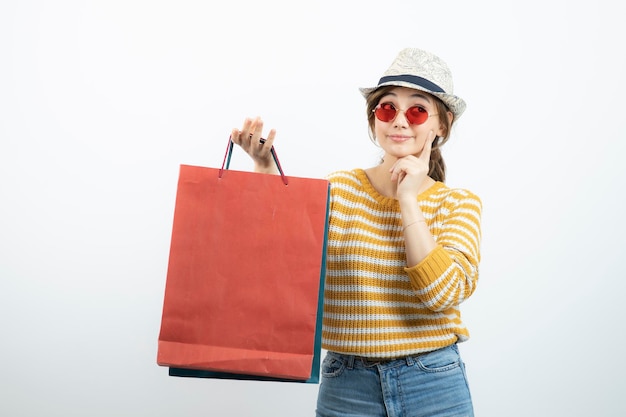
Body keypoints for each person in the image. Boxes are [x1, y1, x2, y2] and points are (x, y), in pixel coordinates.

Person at [231, 48, 482, 417]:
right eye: (386, 108)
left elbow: (441, 294)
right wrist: (264, 167)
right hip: (346, 385)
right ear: (374, 120)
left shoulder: (459, 204)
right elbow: (285, 255)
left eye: (416, 110)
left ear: (440, 125)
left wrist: (408, 200)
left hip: (433, 381)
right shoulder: (339, 190)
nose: (399, 121)